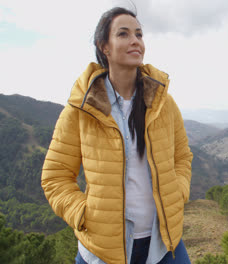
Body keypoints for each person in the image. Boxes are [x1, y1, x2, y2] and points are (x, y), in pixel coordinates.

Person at [41, 7, 193, 264]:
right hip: (104, 252)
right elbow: (55, 177)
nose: (135, 40)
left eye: (139, 34)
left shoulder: (163, 103)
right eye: (123, 34)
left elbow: (182, 156)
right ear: (105, 47)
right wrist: (84, 215)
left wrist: (178, 192)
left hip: (164, 244)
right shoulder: (80, 109)